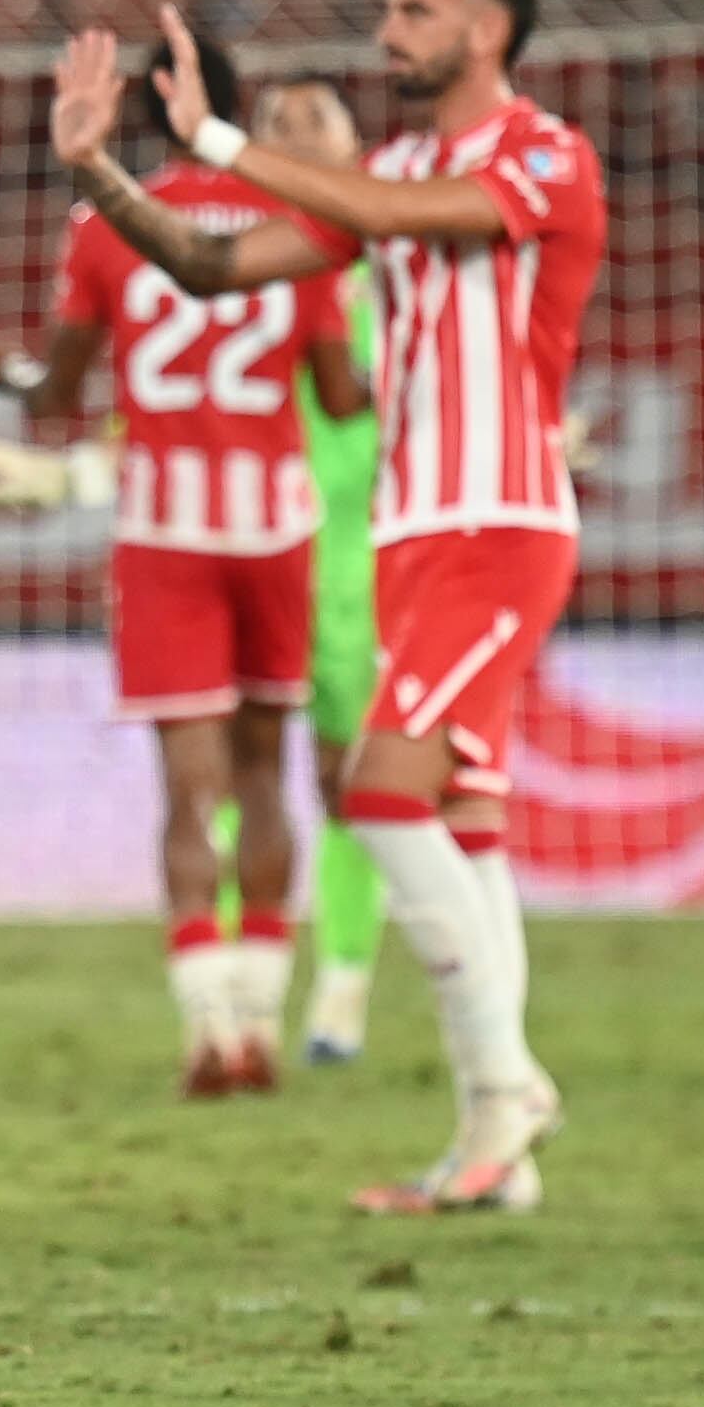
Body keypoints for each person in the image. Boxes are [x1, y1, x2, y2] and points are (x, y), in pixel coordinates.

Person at [49, 0, 604, 1213]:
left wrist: (219, 139)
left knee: (382, 793)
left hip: (498, 521)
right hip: (410, 535)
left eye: (414, 10)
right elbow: (212, 262)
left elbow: (401, 217)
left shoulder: (541, 153)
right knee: (465, 820)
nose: (387, 30)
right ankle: (493, 1148)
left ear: (487, 30)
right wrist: (101, 170)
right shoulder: (392, 166)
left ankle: (507, 1081)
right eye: (389, 6)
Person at [11, 34, 361, 1094]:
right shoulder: (296, 222)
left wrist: (11, 379)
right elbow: (339, 394)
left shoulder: (106, 225)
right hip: (276, 530)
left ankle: (208, 1028)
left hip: (166, 532)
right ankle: (262, 1018)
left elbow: (57, 395)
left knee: (187, 792)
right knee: (265, 776)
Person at [253, 80, 387, 1067]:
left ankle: (342, 983)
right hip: (248, 539)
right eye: (276, 126)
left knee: (350, 778)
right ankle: (242, 989)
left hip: (358, 554)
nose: (296, 136)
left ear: (353, 145)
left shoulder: (393, 267)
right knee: (236, 771)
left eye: (316, 120)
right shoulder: (227, 264)